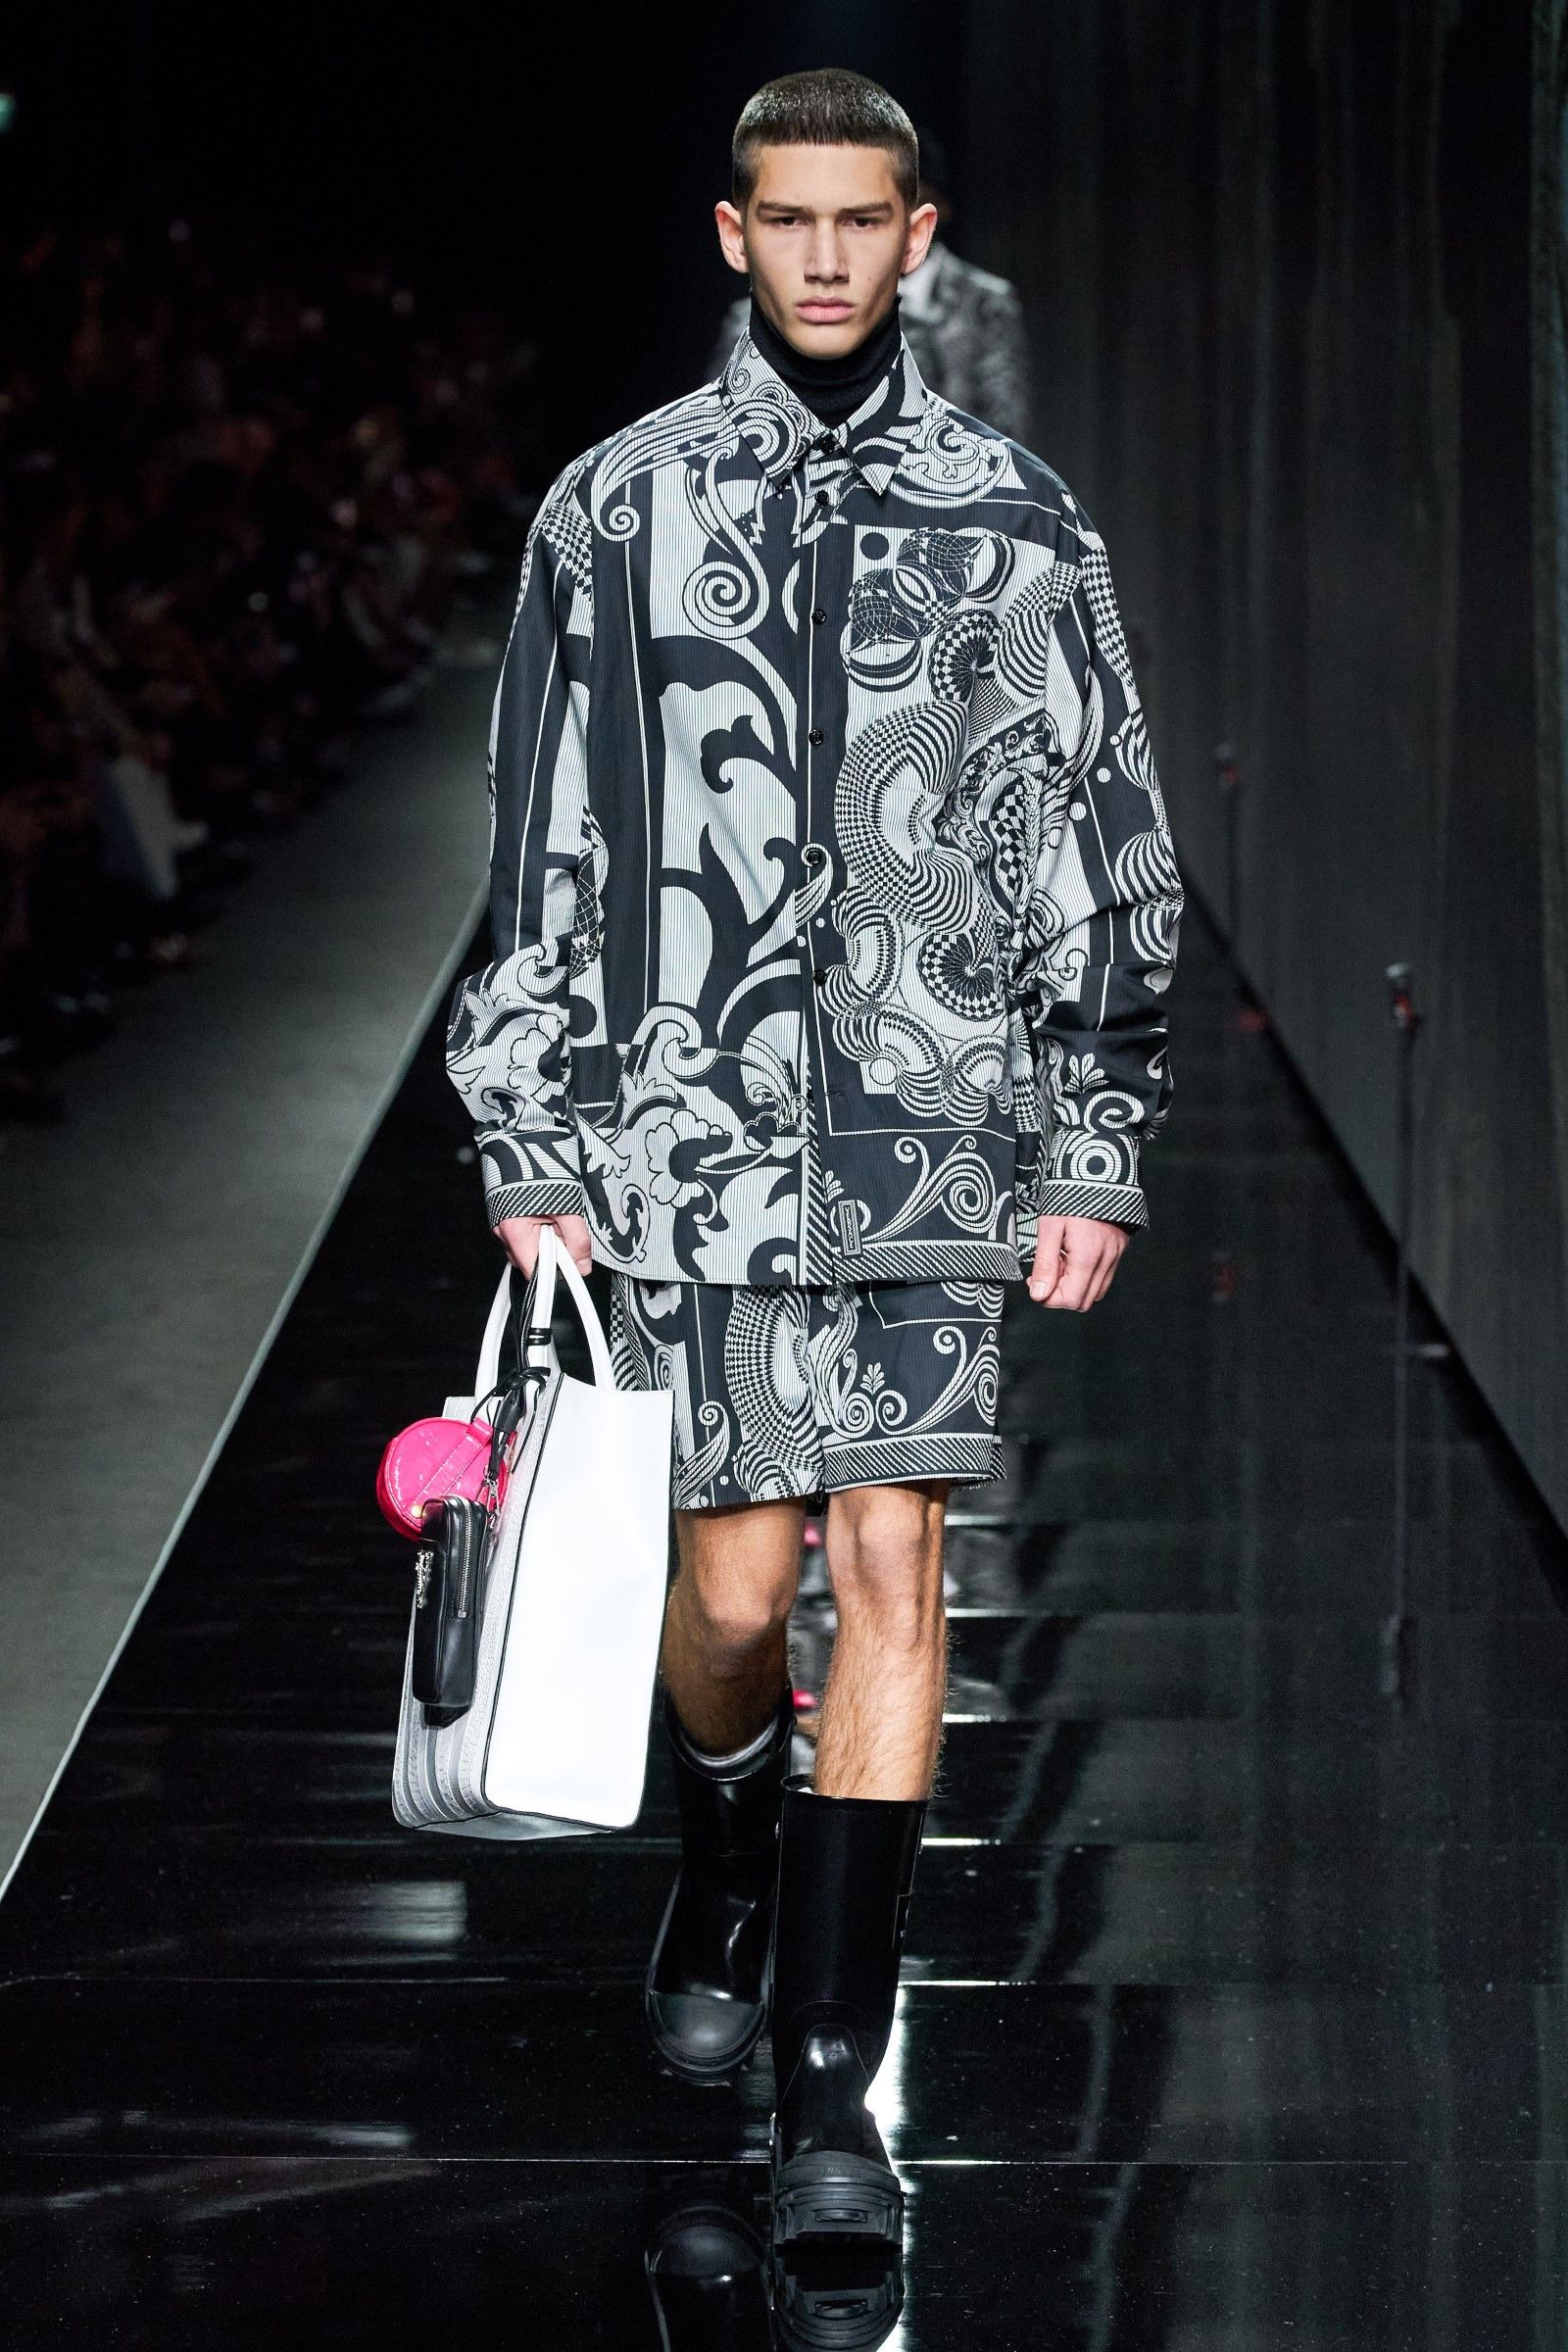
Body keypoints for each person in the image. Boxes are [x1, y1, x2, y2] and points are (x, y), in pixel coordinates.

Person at [447, 68, 1181, 2248]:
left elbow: (1104, 833)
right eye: (793, 219)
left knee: (890, 1569)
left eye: (867, 220)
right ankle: (726, 1851)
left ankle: (829, 2090)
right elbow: (537, 836)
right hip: (681, 1134)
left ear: (919, 236)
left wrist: (1093, 1136)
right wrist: (528, 1120)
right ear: (733, 231)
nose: (831, 256)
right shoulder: (614, 509)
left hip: (931, 1128)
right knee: (732, 1594)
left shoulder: (1019, 519)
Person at [709, 126, 1034, 440]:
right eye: (788, 220)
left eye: (864, 219)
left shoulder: (985, 303)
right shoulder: (753, 315)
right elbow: (720, 428)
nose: (826, 267)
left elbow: (1004, 425)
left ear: (934, 213)